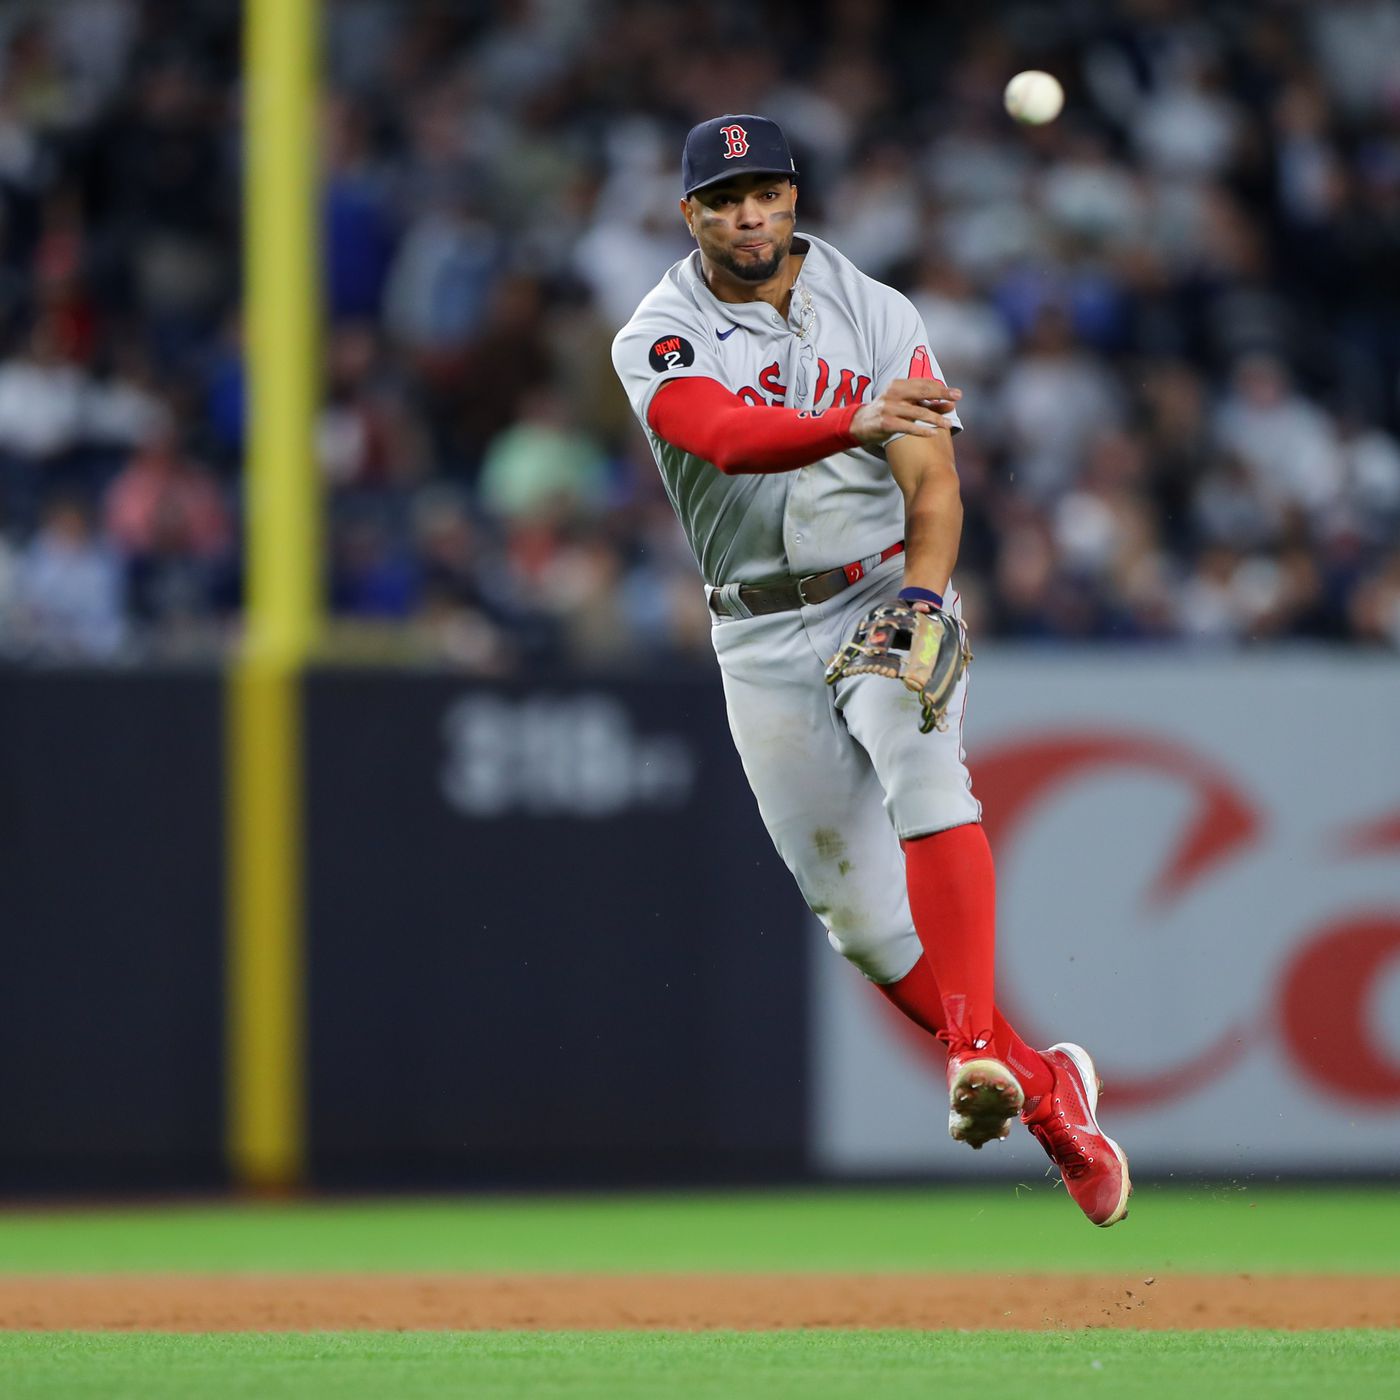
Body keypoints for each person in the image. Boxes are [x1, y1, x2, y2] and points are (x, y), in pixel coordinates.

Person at [611, 114, 1131, 1226]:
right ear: (689, 213)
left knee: (927, 778)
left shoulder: (877, 311)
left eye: (767, 190)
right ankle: (1044, 1091)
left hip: (873, 587)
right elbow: (722, 437)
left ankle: (975, 1060)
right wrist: (851, 415)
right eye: (724, 196)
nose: (750, 212)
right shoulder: (659, 327)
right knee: (855, 919)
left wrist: (923, 593)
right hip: (753, 626)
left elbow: (932, 485)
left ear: (795, 197)